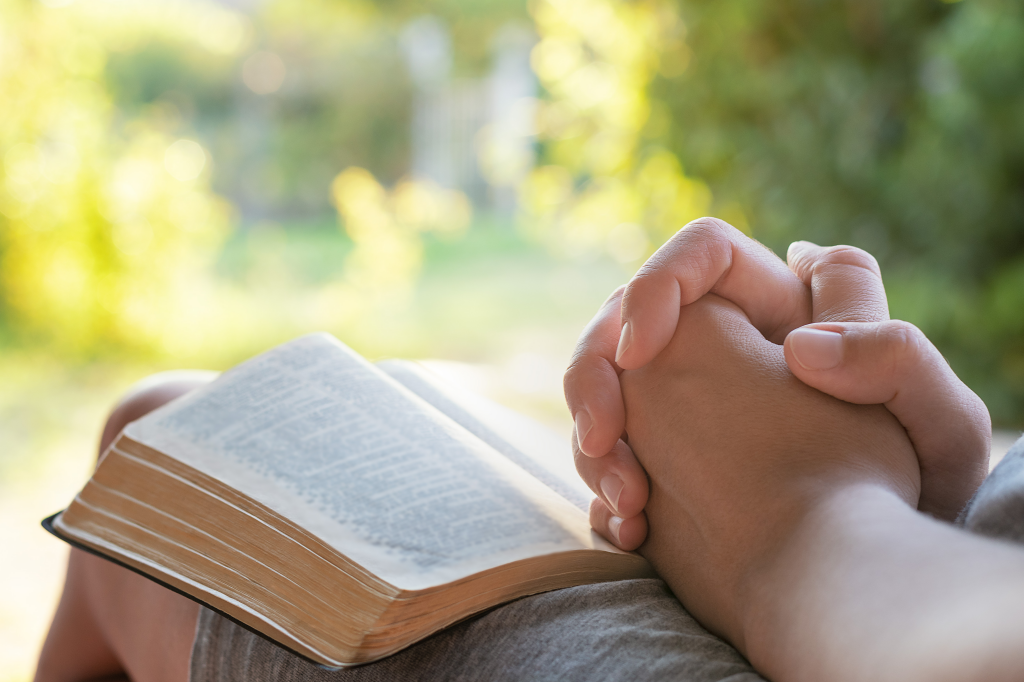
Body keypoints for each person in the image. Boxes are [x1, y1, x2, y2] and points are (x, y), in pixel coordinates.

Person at [34, 218, 1024, 682]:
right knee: (171, 423)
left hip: (860, 591)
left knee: (161, 445)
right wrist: (941, 495)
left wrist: (794, 526)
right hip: (917, 593)